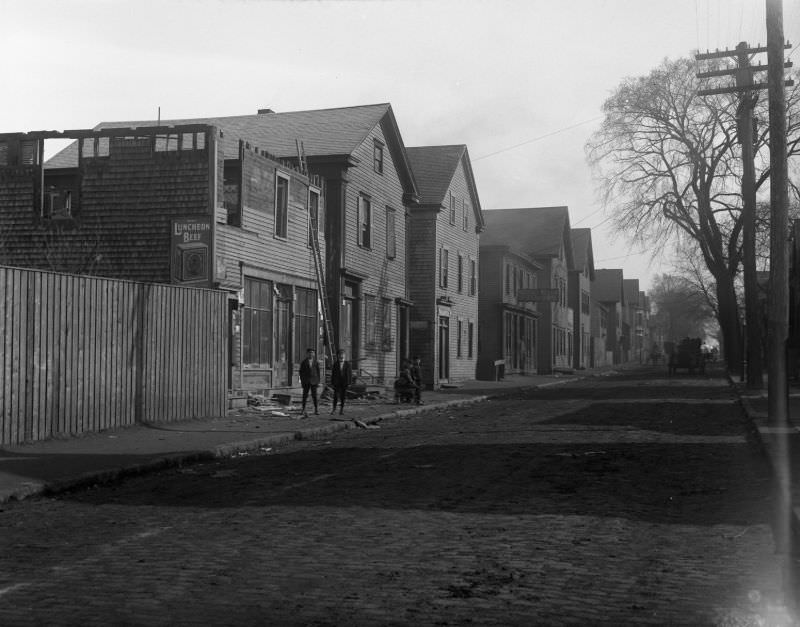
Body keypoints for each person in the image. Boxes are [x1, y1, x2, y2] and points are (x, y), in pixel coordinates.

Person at [298, 348, 321, 417]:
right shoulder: (304, 362)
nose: (311, 354)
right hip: (306, 381)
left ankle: (316, 409)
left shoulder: (316, 362)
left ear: (314, 354)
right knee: (305, 396)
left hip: (314, 381)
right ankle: (303, 409)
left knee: (314, 396)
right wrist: (302, 382)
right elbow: (301, 373)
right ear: (307, 354)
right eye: (310, 352)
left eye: (312, 353)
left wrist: (318, 381)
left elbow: (318, 372)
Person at [330, 349, 353, 415]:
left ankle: (341, 410)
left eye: (342, 354)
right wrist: (332, 383)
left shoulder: (348, 364)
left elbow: (350, 374)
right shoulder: (335, 364)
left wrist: (349, 383)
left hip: (344, 383)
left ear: (345, 355)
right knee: (335, 396)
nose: (341, 356)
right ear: (337, 356)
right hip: (337, 383)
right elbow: (333, 374)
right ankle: (334, 410)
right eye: (340, 354)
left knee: (343, 397)